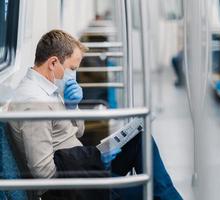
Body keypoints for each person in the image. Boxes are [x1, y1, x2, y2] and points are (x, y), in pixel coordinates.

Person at [8, 30, 182, 200]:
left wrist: (72, 106)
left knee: (140, 141)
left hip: (82, 166)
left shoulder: (49, 88)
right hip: (72, 185)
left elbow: (78, 132)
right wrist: (92, 160)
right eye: (72, 68)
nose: (73, 76)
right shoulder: (34, 103)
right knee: (150, 191)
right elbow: (44, 173)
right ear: (53, 63)